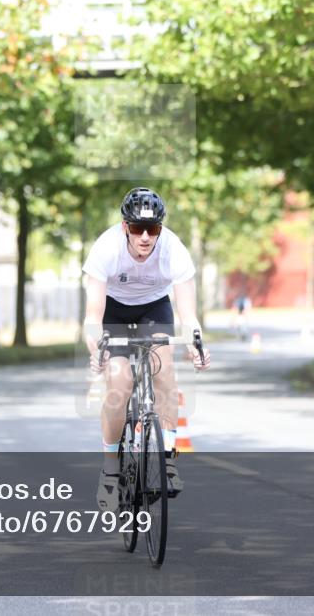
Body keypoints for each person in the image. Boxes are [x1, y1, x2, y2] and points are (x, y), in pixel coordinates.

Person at [82, 187, 211, 513]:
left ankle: (167, 461)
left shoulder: (174, 250)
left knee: (164, 370)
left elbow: (189, 316)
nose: (144, 237)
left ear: (161, 229)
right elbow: (92, 316)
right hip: (114, 311)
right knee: (120, 383)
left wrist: (196, 345)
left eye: (152, 229)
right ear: (124, 226)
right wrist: (96, 346)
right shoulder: (106, 249)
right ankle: (111, 469)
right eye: (137, 228)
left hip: (154, 308)